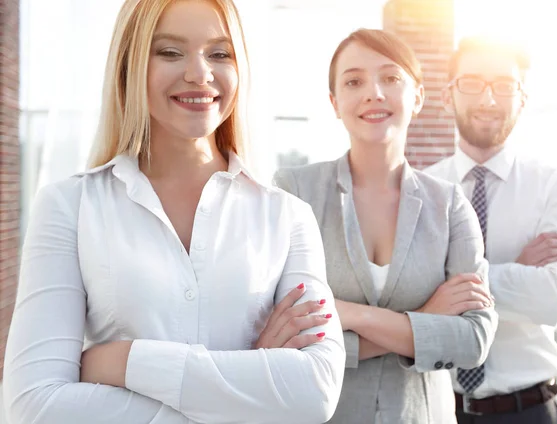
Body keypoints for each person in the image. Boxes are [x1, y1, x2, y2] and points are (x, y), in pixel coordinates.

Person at [3, 1, 345, 423]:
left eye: (220, 54)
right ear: (129, 66)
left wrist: (125, 361)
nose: (200, 73)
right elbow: (32, 407)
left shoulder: (288, 217)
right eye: (169, 52)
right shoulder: (68, 207)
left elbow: (315, 393)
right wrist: (246, 391)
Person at [274, 28, 498, 424]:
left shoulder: (449, 204)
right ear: (334, 102)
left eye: (391, 78)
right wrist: (425, 318)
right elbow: (283, 337)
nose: (374, 92)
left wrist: (349, 314)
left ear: (418, 98)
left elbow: (474, 341)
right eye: (354, 81)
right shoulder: (294, 192)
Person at [425, 36, 557, 424]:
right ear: (448, 96)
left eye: (503, 85)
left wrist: (451, 283)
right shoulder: (422, 192)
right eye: (472, 83)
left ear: (522, 99)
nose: (488, 99)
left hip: (527, 410)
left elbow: (551, 302)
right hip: (438, 408)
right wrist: (516, 268)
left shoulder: (554, 187)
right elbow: (407, 298)